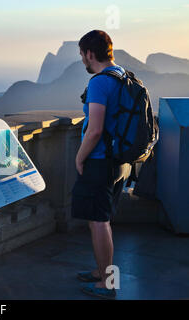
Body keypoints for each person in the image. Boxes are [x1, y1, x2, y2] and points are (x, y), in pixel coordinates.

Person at [71, 30, 131, 299]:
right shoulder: (123, 75)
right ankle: (101, 271)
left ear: (90, 54)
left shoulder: (99, 83)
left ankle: (107, 284)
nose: (82, 60)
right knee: (102, 219)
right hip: (120, 162)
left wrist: (79, 157)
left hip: (100, 161)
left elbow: (94, 130)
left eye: (82, 55)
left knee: (99, 222)